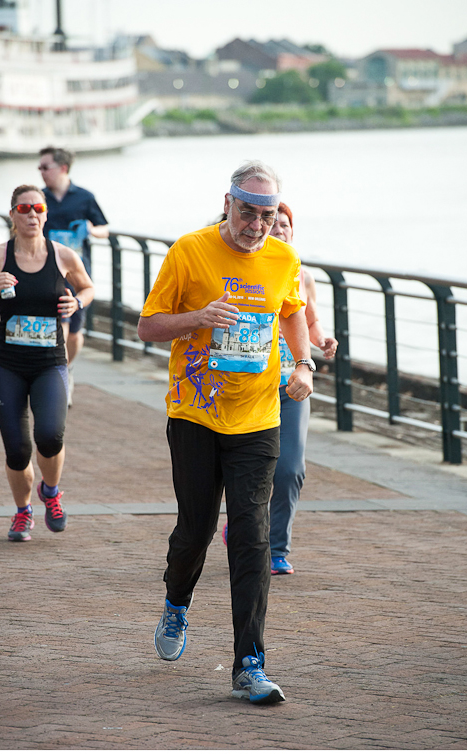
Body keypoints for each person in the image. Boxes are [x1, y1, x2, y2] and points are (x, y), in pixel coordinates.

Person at [138, 160, 315, 705]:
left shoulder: (283, 257)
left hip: (258, 418)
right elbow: (147, 326)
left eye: (267, 215)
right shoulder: (189, 251)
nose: (257, 225)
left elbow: (292, 311)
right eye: (248, 212)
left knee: (252, 537)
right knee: (195, 531)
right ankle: (176, 603)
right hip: (195, 414)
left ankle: (249, 665)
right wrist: (199, 317)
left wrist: (303, 364)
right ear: (227, 204)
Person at [0, 185, 94, 542]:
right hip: (8, 365)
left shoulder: (63, 256)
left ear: (46, 214)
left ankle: (51, 491)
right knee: (17, 450)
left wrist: (77, 302)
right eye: (24, 208)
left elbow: (88, 288)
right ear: (12, 215)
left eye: (38, 208)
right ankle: (23, 511)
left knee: (49, 435)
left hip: (49, 363)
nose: (32, 214)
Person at [268, 203, 338, 574]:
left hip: (293, 385)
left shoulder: (303, 276)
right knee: (254, 469)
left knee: (291, 468)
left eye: (285, 225)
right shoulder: (249, 272)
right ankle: (245, 525)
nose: (279, 230)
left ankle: (276, 549)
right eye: (272, 224)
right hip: (252, 385)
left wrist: (322, 340)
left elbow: (309, 321)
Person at [38, 146, 108, 404]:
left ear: (63, 168)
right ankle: (58, 378)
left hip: (78, 275)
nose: (41, 171)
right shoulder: (39, 198)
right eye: (39, 167)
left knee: (75, 332)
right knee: (59, 326)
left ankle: (67, 368)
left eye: (45, 167)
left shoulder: (85, 197)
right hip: (47, 272)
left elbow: (104, 229)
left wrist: (90, 229)